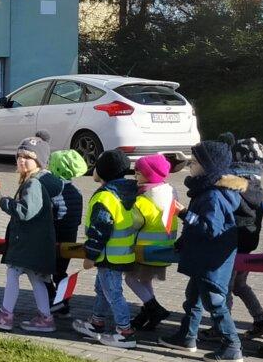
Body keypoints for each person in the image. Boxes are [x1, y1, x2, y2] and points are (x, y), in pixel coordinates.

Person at [160, 140, 246, 362]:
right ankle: (187, 336)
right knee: (193, 298)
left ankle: (232, 345)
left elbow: (210, 228)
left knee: (214, 302)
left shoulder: (213, 196)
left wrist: (184, 214)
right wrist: (182, 242)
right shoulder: (207, 191)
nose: (190, 165)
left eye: (195, 162)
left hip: (210, 260)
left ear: (208, 166)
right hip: (203, 258)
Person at [0, 134, 58, 333]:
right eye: (19, 156)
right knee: (36, 278)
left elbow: (25, 211)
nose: (22, 160)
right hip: (36, 242)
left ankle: (5, 315)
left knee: (13, 273)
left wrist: (7, 203)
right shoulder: (37, 181)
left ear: (39, 161)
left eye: (28, 157)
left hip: (28, 242)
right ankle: (46, 318)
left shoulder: (33, 184)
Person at [71, 149, 140, 347]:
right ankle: (96, 322)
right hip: (121, 254)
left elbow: (100, 230)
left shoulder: (105, 198)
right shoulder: (127, 192)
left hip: (108, 256)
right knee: (102, 289)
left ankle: (125, 332)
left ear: (103, 172)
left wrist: (90, 256)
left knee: (113, 293)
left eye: (96, 167)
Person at [222, 136, 263, 339]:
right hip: (248, 243)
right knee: (239, 285)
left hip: (232, 244)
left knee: (226, 287)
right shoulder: (256, 186)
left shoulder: (232, 185)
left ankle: (222, 327)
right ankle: (261, 320)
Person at [124, 153, 179, 332]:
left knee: (130, 279)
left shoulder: (142, 200)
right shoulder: (170, 194)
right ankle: (149, 312)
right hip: (164, 248)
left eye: (138, 172)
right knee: (145, 280)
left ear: (149, 175)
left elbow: (133, 224)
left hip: (144, 249)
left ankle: (155, 308)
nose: (135, 175)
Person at [46, 148, 87, 314]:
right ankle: (63, 300)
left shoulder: (54, 190)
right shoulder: (77, 191)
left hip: (56, 236)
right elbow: (77, 218)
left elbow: (53, 215)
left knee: (44, 271)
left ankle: (55, 298)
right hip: (71, 235)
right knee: (61, 271)